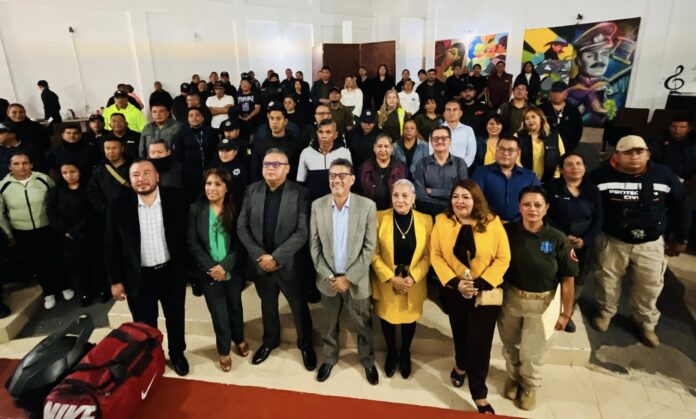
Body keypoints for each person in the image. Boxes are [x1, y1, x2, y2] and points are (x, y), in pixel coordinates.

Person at [589, 135, 691, 347]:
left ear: (648, 154)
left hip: (651, 244)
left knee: (650, 286)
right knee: (607, 281)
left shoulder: (664, 175)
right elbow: (588, 206)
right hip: (612, 240)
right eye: (628, 152)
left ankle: (645, 323)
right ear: (617, 155)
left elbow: (681, 205)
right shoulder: (600, 176)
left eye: (639, 152)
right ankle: (606, 312)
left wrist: (681, 237)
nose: (634, 156)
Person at [430, 179, 510, 415]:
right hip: (455, 290)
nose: (460, 201)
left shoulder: (492, 222)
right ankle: (460, 365)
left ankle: (479, 393)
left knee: (480, 343)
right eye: (455, 196)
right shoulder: (441, 221)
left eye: (466, 197)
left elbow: (503, 258)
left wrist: (480, 283)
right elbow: (435, 255)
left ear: (476, 199)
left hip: (484, 292)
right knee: (460, 332)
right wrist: (457, 283)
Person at [105, 159, 190, 376]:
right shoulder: (119, 205)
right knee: (144, 323)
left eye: (146, 173)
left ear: (157, 176)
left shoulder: (176, 198)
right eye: (135, 175)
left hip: (171, 272)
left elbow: (186, 237)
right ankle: (152, 355)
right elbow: (111, 245)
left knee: (175, 317)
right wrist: (115, 281)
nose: (141, 179)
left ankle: (177, 354)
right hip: (138, 276)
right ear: (130, 179)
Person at [499, 185, 578, 410]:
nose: (532, 209)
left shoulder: (557, 238)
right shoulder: (508, 232)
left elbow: (568, 278)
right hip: (511, 298)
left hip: (543, 303)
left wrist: (566, 313)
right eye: (526, 204)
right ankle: (513, 378)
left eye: (537, 205)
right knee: (509, 344)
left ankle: (529, 386)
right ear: (519, 207)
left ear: (546, 208)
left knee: (533, 351)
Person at [237, 148, 316, 370]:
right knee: (268, 305)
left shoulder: (300, 193)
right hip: (261, 264)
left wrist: (276, 257)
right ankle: (270, 341)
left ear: (287, 168)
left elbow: (302, 231)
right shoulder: (252, 190)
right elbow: (242, 227)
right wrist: (260, 256)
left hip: (289, 264)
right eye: (266, 164)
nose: (270, 168)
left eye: (276, 164)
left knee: (298, 307)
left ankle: (306, 344)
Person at [310, 158, 378, 384]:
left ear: (352, 179)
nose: (336, 180)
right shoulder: (318, 206)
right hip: (328, 279)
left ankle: (367, 360)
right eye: (332, 176)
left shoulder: (367, 206)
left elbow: (369, 248)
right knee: (329, 325)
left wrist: (348, 278)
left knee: (363, 324)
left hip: (356, 280)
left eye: (341, 176)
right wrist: (330, 276)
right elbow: (314, 247)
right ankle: (329, 358)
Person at [187, 168, 248, 371]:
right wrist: (213, 267)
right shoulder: (196, 209)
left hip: (232, 270)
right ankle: (224, 350)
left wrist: (226, 265)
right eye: (208, 183)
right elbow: (192, 243)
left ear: (227, 188)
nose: (212, 188)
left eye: (217, 184)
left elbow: (240, 242)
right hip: (209, 272)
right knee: (219, 313)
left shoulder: (235, 208)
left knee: (235, 307)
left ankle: (239, 338)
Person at [371, 179, 433, 379]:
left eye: (405, 196)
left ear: (413, 198)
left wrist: (413, 277)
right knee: (387, 318)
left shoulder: (426, 220)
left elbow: (429, 254)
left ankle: (405, 352)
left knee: (409, 319)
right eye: (396, 195)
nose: (400, 200)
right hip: (388, 279)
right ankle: (391, 351)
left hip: (412, 280)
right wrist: (391, 278)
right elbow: (373, 253)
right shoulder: (379, 218)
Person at [0, 152, 74, 309]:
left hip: (47, 227)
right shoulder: (3, 186)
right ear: (10, 167)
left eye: (25, 163)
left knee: (55, 257)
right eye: (16, 163)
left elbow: (56, 200)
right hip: (22, 231)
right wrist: (8, 233)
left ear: (31, 164)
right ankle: (49, 292)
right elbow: (1, 213)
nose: (21, 167)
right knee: (37, 262)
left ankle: (64, 286)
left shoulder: (43, 179)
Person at [545, 152, 602, 332]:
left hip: (583, 244)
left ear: (584, 168)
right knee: (553, 274)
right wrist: (562, 236)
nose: (575, 167)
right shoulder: (552, 188)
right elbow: (545, 215)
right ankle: (550, 310)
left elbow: (599, 219)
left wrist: (585, 240)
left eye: (579, 163)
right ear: (561, 170)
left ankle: (567, 312)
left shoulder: (593, 190)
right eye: (569, 164)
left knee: (578, 277)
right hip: (556, 239)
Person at [48, 163, 107, 306]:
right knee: (77, 266)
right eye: (65, 173)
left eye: (72, 171)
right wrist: (65, 230)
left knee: (96, 262)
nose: (69, 176)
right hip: (68, 237)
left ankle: (102, 289)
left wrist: (78, 229)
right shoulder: (56, 191)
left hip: (90, 232)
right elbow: (52, 213)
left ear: (79, 171)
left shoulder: (89, 187)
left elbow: (94, 211)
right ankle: (85, 292)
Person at [472, 137, 540, 222]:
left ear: (518, 153)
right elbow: (474, 201)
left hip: (521, 225)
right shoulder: (481, 173)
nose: (505, 153)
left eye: (510, 150)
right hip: (488, 224)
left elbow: (537, 203)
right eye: (501, 149)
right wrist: (493, 220)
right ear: (496, 150)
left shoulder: (530, 177)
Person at [414, 126, 468, 216]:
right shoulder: (422, 163)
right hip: (428, 212)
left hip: (454, 211)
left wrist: (432, 192)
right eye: (435, 139)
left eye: (443, 138)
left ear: (450, 141)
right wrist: (449, 194)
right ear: (431, 142)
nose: (439, 141)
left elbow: (463, 192)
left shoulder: (460, 163)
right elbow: (420, 194)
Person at [297, 119, 352, 203]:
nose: (324, 136)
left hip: (338, 202)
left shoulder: (344, 153)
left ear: (335, 135)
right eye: (321, 132)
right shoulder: (306, 153)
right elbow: (300, 182)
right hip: (313, 202)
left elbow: (349, 181)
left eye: (328, 132)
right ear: (317, 133)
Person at [650, 115, 696, 206]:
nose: (677, 130)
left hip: (689, 181)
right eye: (674, 126)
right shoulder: (659, 141)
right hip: (663, 179)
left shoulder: (693, 144)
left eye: (682, 127)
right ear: (669, 127)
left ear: (689, 129)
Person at [250, 106, 304, 182]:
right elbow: (255, 173)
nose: (274, 122)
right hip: (264, 186)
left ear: (285, 121)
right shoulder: (260, 144)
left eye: (278, 118)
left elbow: (297, 173)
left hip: (289, 186)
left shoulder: (296, 144)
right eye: (272, 118)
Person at [176, 107, 217, 201]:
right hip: (190, 174)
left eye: (197, 115)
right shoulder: (181, 134)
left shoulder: (210, 131)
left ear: (202, 118)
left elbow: (215, 151)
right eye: (191, 115)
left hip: (209, 171)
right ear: (188, 119)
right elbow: (178, 155)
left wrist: (212, 167)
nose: (194, 117)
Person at [516, 107, 566, 183]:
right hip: (525, 180)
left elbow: (562, 157)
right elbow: (515, 160)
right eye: (526, 118)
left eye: (533, 117)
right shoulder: (518, 136)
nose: (530, 120)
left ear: (541, 119)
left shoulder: (554, 136)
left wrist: (556, 176)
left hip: (551, 181)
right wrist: (526, 176)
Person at [357, 133, 406, 210]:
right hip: (369, 211)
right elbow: (358, 192)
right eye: (379, 146)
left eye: (386, 146)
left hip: (393, 212)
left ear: (392, 148)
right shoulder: (364, 167)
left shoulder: (401, 168)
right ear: (374, 148)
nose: (383, 150)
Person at [88, 138, 132, 214]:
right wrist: (104, 209)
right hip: (107, 213)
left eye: (114, 148)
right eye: (107, 148)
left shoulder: (133, 166)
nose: (111, 151)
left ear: (122, 149)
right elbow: (93, 191)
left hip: (131, 211)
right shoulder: (99, 169)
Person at [540, 81, 583, 152]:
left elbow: (578, 130)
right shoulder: (541, 109)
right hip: (544, 148)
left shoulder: (573, 110)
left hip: (567, 148)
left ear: (566, 94)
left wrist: (570, 147)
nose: (557, 95)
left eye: (560, 92)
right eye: (554, 92)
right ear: (550, 93)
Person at [210, 138, 248, 208]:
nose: (224, 154)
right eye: (221, 150)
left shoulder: (242, 168)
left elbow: (244, 191)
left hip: (235, 206)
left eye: (227, 150)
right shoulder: (213, 167)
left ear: (235, 152)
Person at [439, 101, 477, 168]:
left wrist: (462, 167)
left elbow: (471, 153)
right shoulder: (436, 130)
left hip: (462, 169)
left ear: (460, 113)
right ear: (444, 113)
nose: (451, 113)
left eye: (455, 109)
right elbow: (432, 152)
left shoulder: (468, 130)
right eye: (448, 110)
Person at [345, 109, 381, 173]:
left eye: (370, 123)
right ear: (360, 122)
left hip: (375, 171)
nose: (366, 125)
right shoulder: (351, 134)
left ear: (374, 123)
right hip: (355, 170)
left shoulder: (381, 136)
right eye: (364, 122)